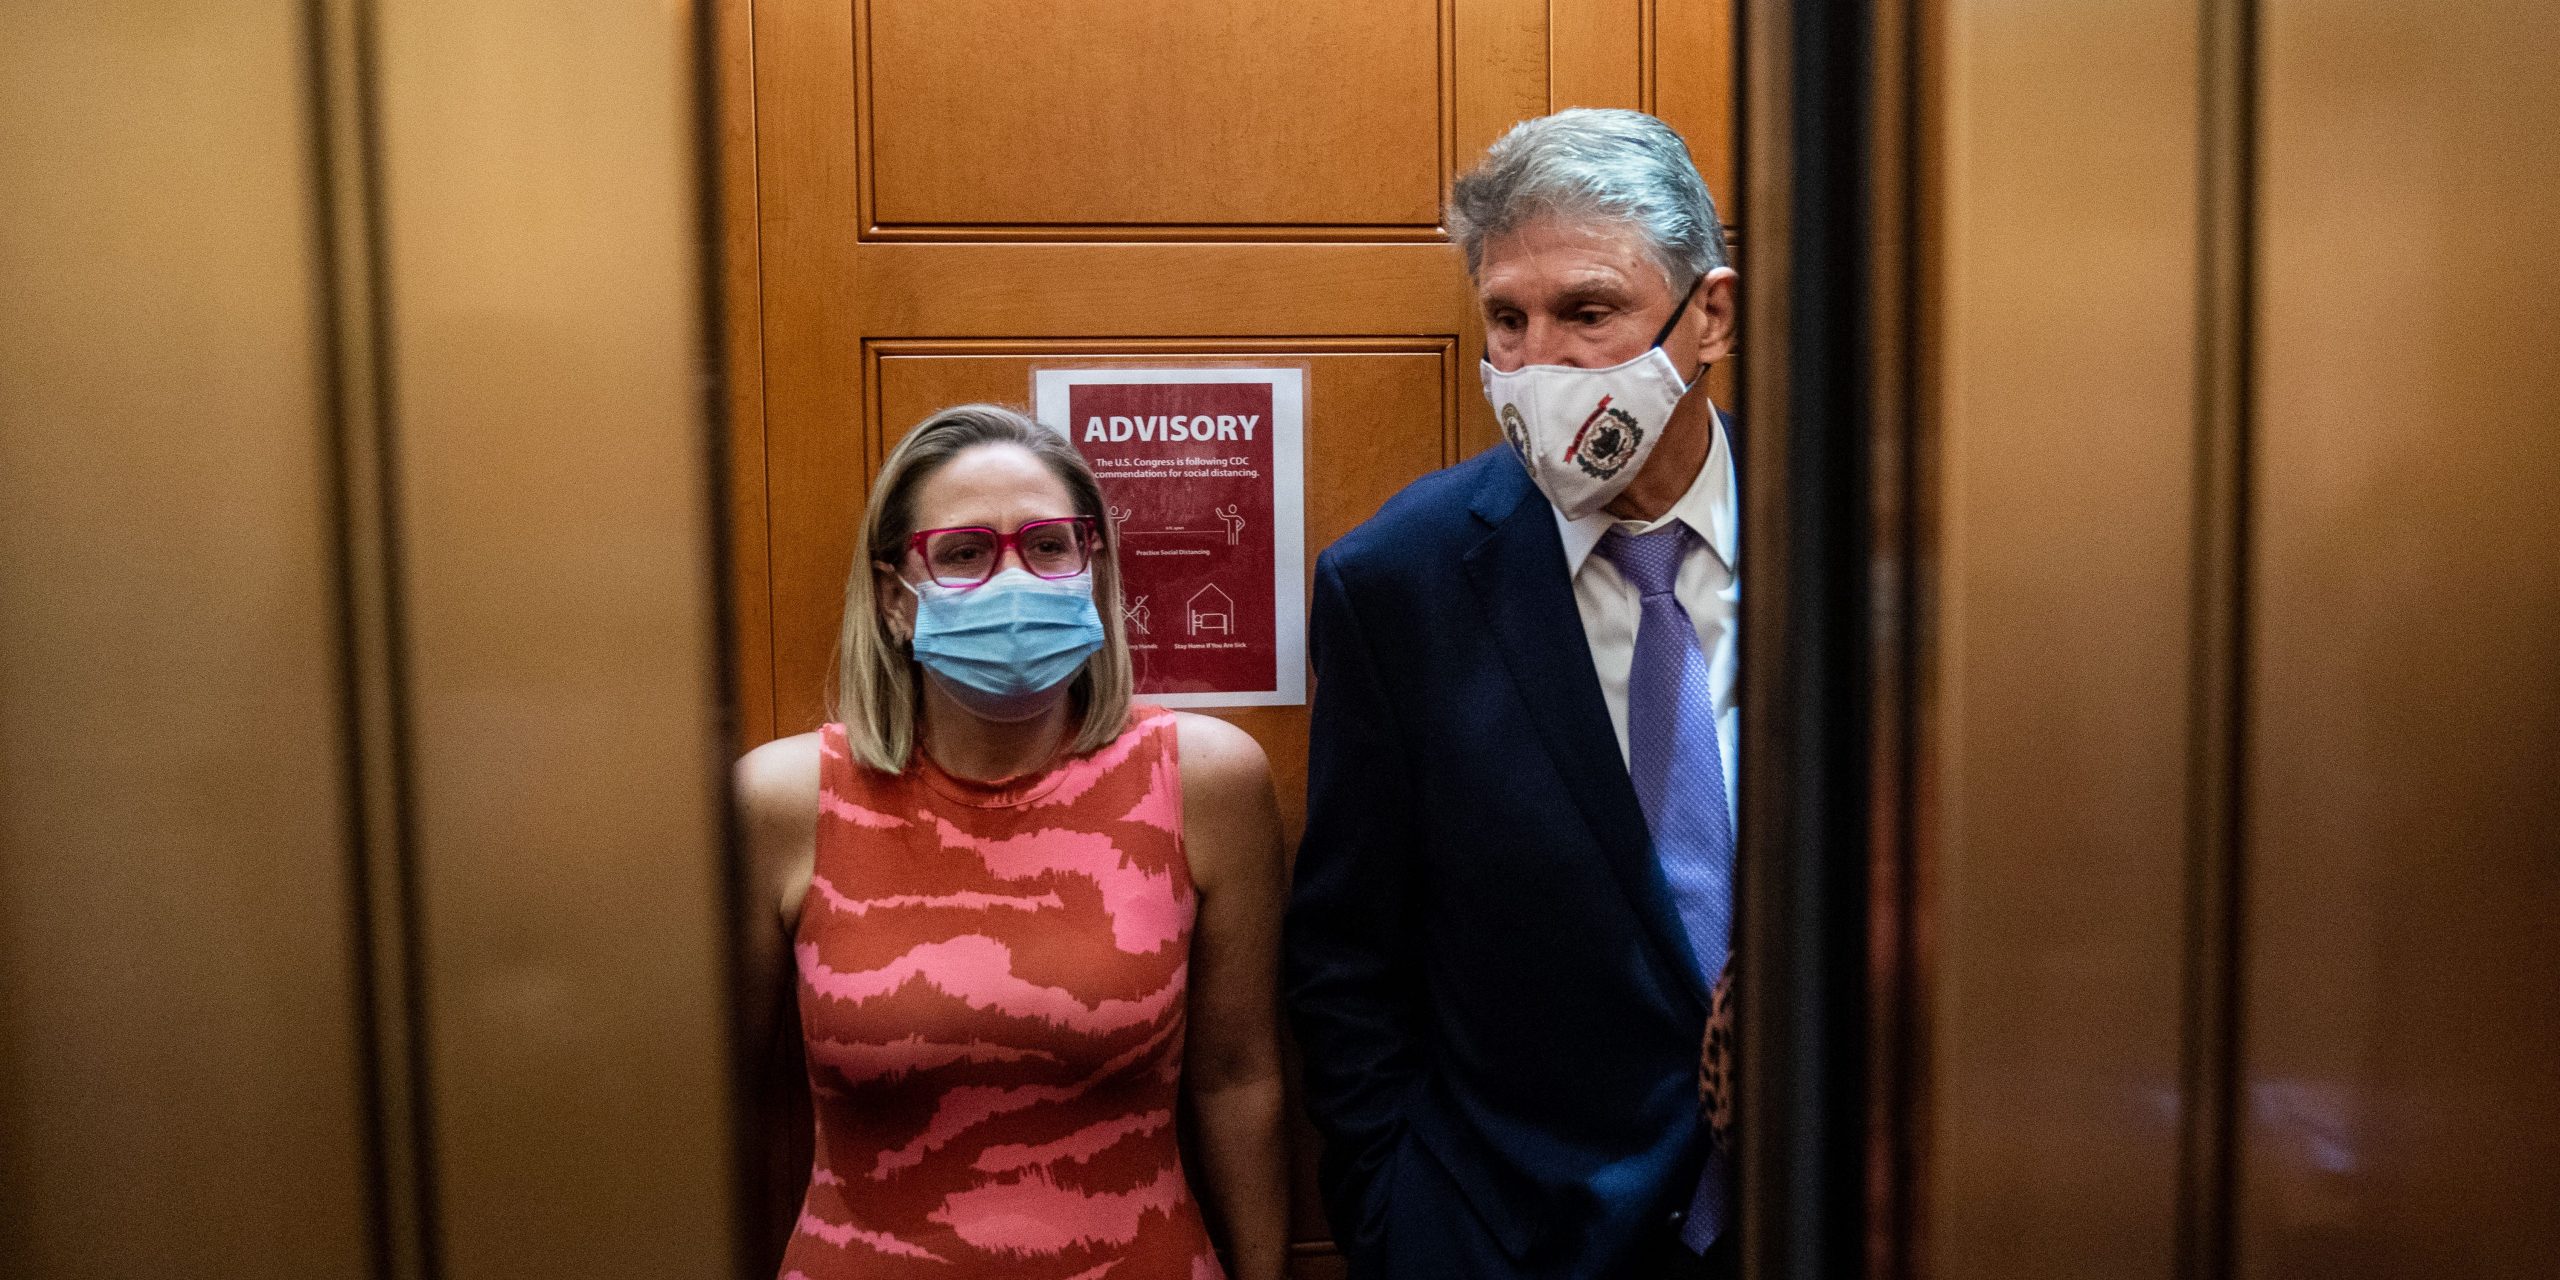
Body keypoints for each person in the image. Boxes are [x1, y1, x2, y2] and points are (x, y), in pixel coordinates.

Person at [1285, 109, 1744, 1279]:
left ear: (1709, 317)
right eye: (1506, 318)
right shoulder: (1399, 584)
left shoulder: (1863, 547)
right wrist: (1398, 1219)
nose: (1537, 361)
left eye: (1589, 313)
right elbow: (1349, 957)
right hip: (1514, 1234)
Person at [736, 405, 1289, 1280]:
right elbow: (724, 1107)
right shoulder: (783, 800)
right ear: (893, 598)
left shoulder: (1204, 779)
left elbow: (1238, 1081)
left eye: (1046, 546)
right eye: (963, 554)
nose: (1013, 581)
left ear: (1092, 566)